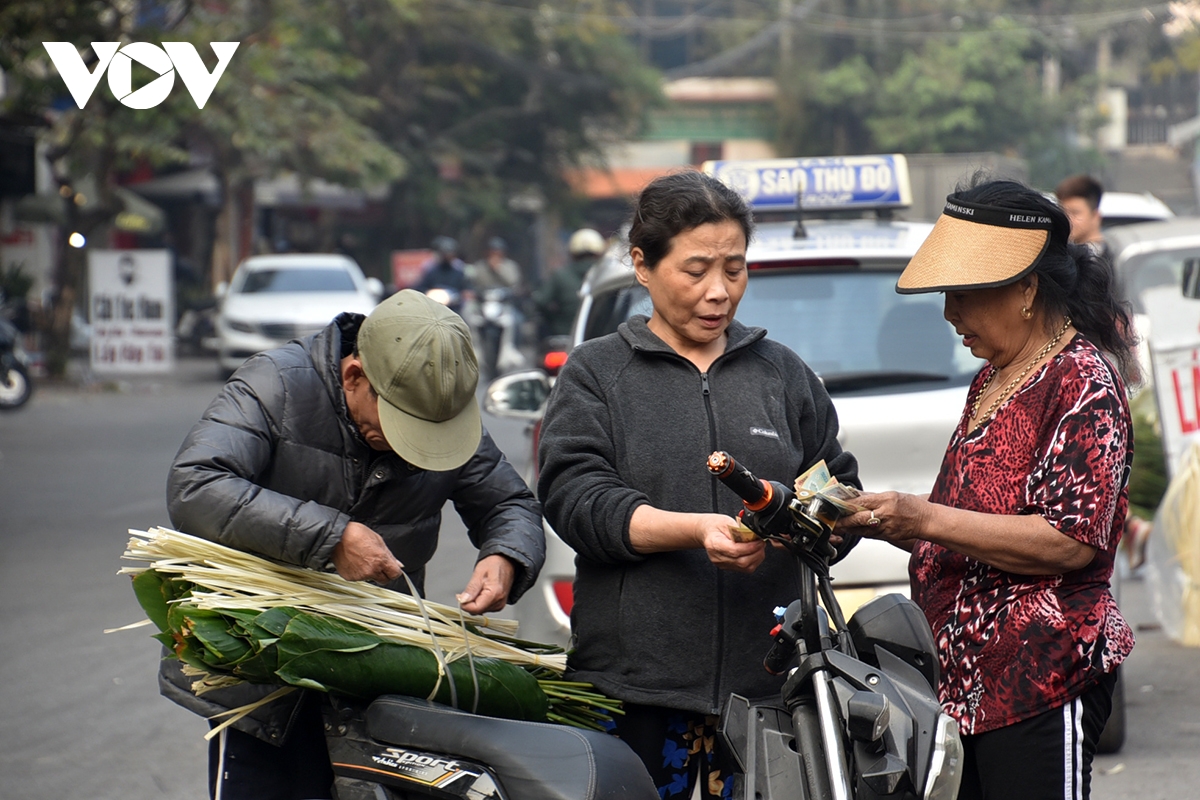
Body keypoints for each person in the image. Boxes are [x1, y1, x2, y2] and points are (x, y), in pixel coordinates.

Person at [535, 171, 858, 799]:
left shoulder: (782, 375)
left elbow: (836, 491)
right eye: (696, 271)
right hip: (632, 692)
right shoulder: (597, 374)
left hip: (770, 695)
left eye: (734, 269)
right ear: (642, 265)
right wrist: (694, 530)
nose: (719, 292)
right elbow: (576, 498)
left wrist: (791, 528)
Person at [164, 289, 545, 800]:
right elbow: (196, 486)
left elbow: (510, 505)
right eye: (401, 425)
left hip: (382, 676)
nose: (417, 445)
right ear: (354, 376)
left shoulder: (440, 406)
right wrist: (331, 537)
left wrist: (505, 558)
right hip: (266, 678)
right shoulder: (274, 385)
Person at [839, 178, 1136, 800]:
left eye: (967, 294)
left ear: (1027, 288)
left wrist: (920, 518)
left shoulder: (1081, 381)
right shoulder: (994, 379)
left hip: (1043, 679)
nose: (951, 313)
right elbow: (961, 522)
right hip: (967, 689)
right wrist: (870, 517)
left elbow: (1069, 541)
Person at [532, 227, 606, 338]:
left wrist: (554, 319)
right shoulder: (606, 275)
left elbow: (540, 301)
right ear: (599, 254)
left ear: (573, 254)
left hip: (564, 335)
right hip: (601, 337)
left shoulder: (559, 275)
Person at [1055, 174, 1112, 261]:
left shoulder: (1110, 260)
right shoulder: (1066, 258)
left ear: (1095, 216)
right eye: (1063, 212)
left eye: (1075, 213)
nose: (1068, 219)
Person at [414, 236, 470, 314]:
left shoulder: (458, 271)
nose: (448, 256)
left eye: (450, 253)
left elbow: (466, 287)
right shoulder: (431, 271)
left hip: (455, 309)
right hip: (434, 308)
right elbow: (420, 287)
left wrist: (466, 293)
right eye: (445, 253)